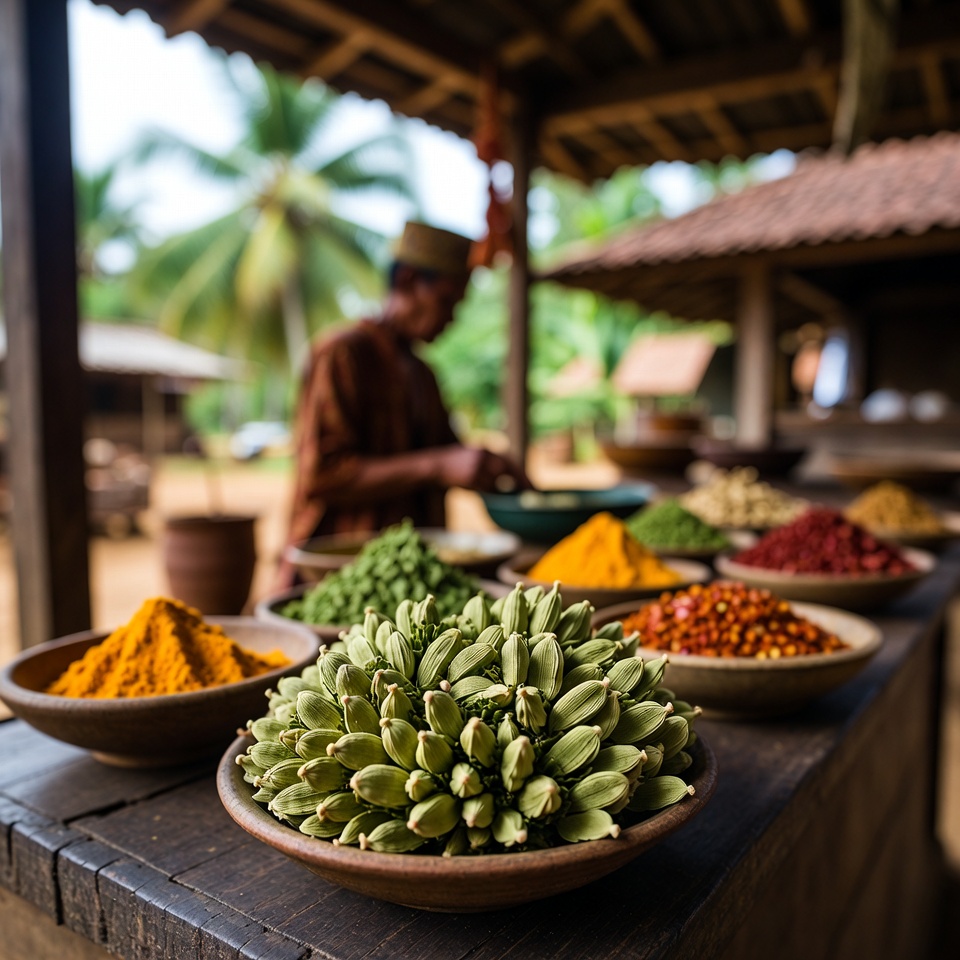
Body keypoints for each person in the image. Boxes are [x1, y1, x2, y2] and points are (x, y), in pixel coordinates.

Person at [278, 221, 529, 587]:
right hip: (344, 571)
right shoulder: (343, 353)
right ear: (410, 281)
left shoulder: (422, 373)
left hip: (412, 575)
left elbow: (447, 453)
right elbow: (321, 473)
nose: (452, 318)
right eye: (446, 301)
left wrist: (487, 464)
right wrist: (438, 466)